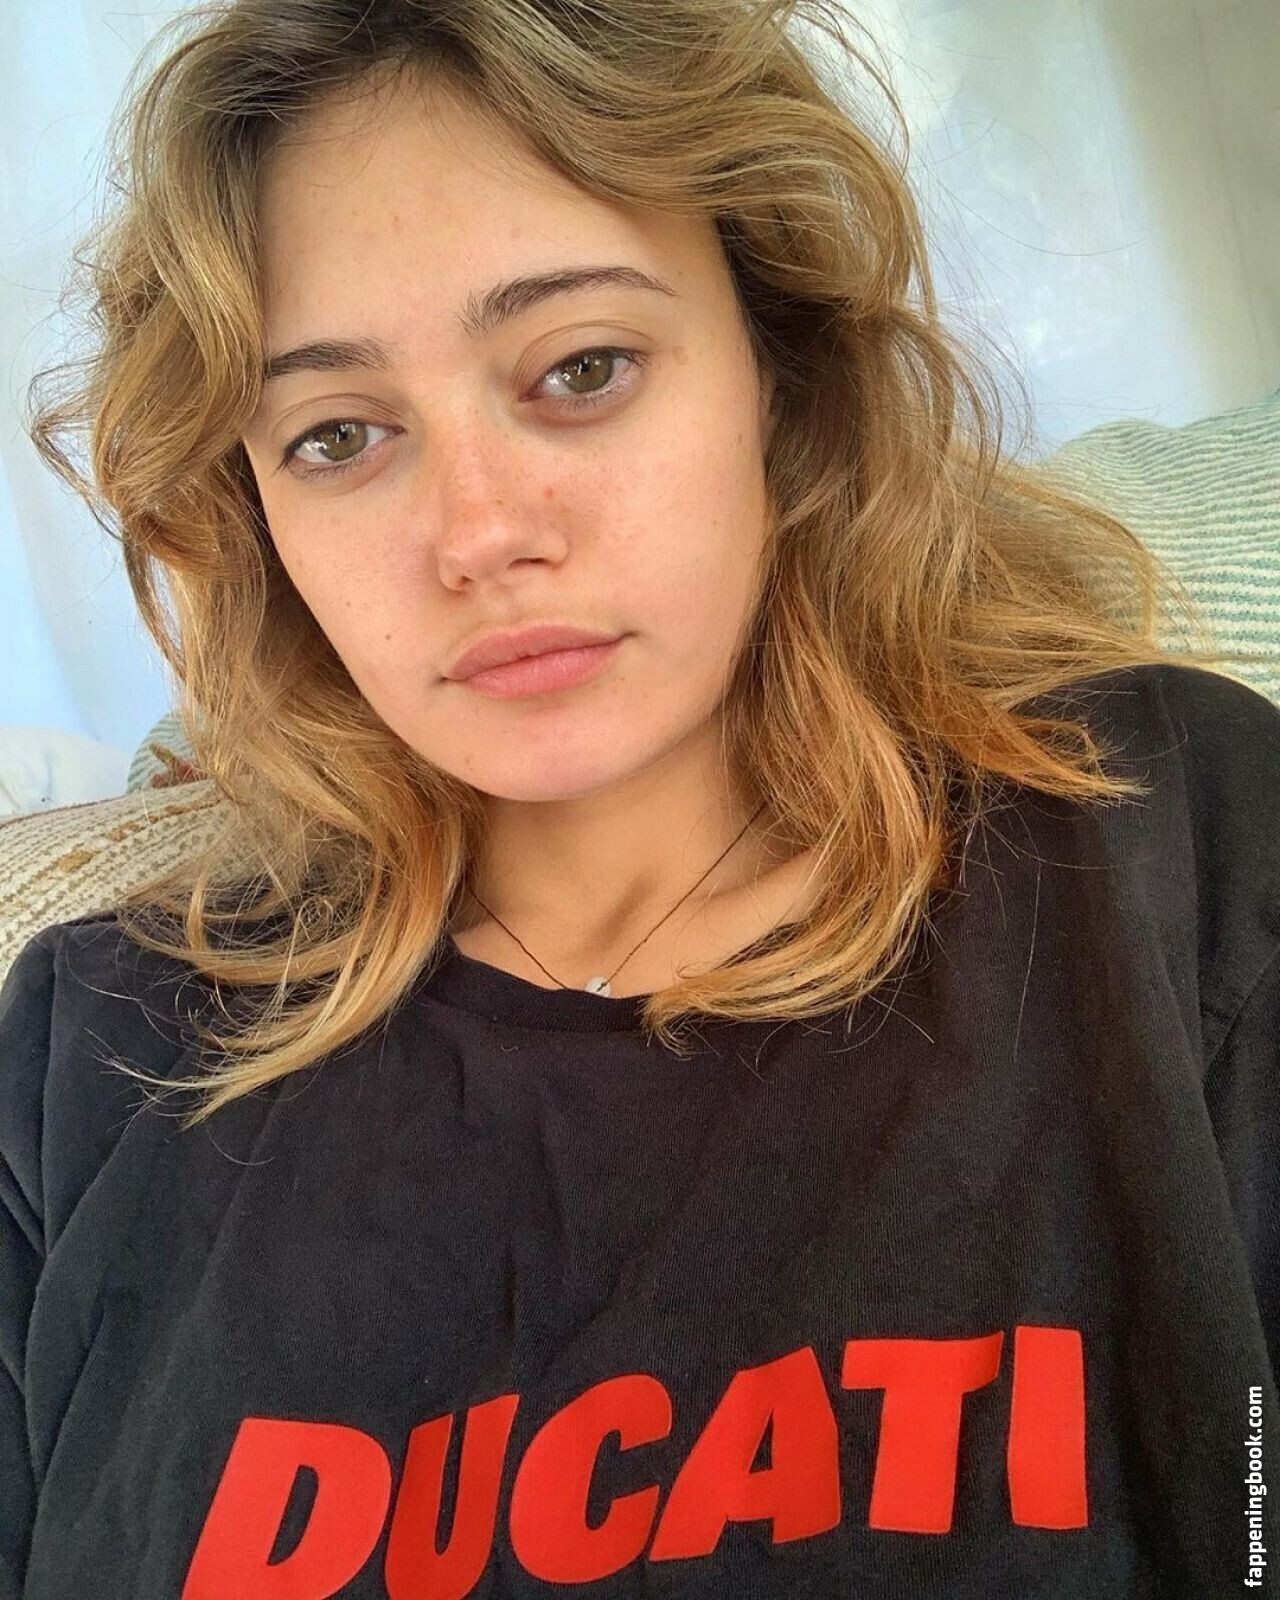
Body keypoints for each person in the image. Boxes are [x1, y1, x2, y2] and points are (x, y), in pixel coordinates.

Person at [4, 1, 1278, 1595]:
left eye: (583, 368)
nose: (480, 533)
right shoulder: (92, 1049)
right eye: (338, 436)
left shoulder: (1171, 842)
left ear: (778, 374)